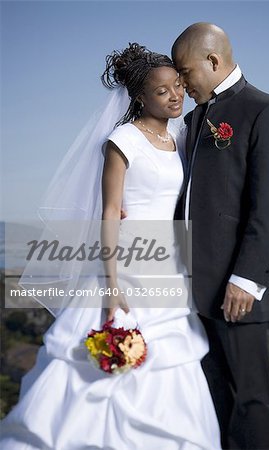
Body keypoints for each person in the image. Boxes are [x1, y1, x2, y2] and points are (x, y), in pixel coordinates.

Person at [0, 43, 221, 450]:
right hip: (127, 263)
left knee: (170, 365)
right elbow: (110, 213)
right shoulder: (123, 140)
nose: (175, 95)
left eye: (177, 86)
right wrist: (111, 284)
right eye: (162, 91)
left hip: (169, 265)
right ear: (140, 97)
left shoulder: (182, 135)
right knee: (101, 366)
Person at [172, 23, 269, 450]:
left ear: (213, 60)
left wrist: (245, 278)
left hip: (237, 289)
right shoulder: (191, 119)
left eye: (186, 73)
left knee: (252, 399)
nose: (181, 83)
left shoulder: (266, 110)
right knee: (213, 396)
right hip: (194, 290)